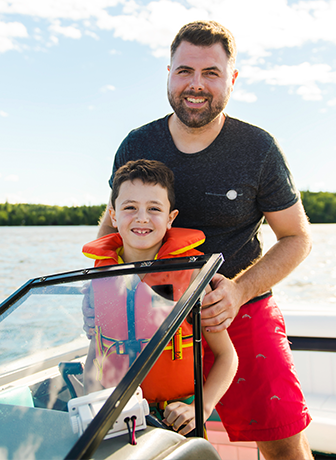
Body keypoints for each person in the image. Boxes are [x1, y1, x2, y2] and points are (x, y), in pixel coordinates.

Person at [84, 20, 313, 459]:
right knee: (152, 442)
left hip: (238, 310)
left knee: (284, 443)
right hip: (152, 319)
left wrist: (239, 289)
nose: (196, 85)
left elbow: (296, 237)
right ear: (168, 73)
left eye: (211, 73)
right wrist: (97, 293)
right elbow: (114, 220)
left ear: (232, 79)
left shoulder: (258, 149)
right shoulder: (137, 143)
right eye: (185, 71)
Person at [83, 159, 238, 436]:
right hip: (116, 417)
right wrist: (91, 406)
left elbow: (228, 356)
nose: (142, 217)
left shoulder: (191, 278)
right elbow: (96, 352)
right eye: (130, 207)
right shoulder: (100, 278)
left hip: (177, 420)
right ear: (113, 216)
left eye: (154, 209)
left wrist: (201, 409)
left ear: (171, 218)